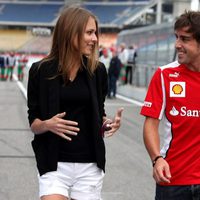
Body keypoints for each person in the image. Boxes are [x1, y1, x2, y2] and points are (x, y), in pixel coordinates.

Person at [27, 6, 123, 200]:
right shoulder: (40, 71)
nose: (95, 39)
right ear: (71, 33)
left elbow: (99, 115)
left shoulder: (98, 71)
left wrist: (107, 124)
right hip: (53, 163)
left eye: (95, 33)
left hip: (89, 164)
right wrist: (47, 124)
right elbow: (34, 124)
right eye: (89, 32)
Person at [140, 10, 200, 200]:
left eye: (185, 39)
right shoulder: (164, 75)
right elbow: (150, 124)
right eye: (176, 37)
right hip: (172, 180)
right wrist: (157, 159)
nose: (177, 45)